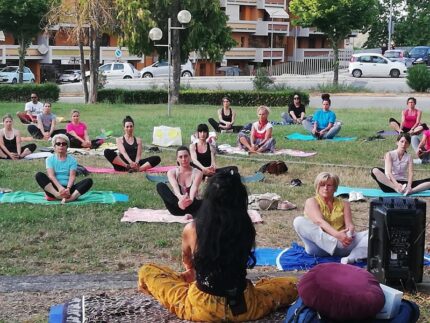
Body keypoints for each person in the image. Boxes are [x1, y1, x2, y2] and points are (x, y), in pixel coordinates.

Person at [139, 170, 298, 321]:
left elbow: (188, 263)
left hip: (202, 308)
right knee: (292, 285)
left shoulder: (192, 229)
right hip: (246, 306)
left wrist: (191, 273)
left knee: (147, 271)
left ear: (208, 199)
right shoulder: (245, 228)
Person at [293, 172, 368, 265]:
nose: (325, 188)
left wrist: (349, 234)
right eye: (322, 185)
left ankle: (351, 258)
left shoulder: (344, 203)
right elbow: (319, 221)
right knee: (298, 221)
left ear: (335, 187)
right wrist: (337, 235)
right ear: (317, 186)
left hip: (342, 244)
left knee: (372, 233)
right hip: (318, 246)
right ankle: (337, 245)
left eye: (329, 185)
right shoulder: (311, 201)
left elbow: (349, 225)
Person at [35, 134, 93, 203]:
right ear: (54, 146)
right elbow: (51, 176)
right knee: (39, 175)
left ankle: (71, 198)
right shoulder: (49, 159)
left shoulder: (72, 160)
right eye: (58, 144)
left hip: (68, 189)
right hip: (55, 189)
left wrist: (68, 188)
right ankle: (57, 196)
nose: (61, 146)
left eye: (64, 144)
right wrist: (60, 188)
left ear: (67, 146)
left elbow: (72, 176)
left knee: (89, 181)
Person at [156, 146, 203, 216]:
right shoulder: (172, 172)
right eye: (180, 157)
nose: (183, 159)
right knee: (160, 185)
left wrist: (190, 200)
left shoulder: (198, 173)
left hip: (192, 206)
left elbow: (194, 187)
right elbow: (175, 187)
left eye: (186, 156)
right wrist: (180, 199)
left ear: (190, 157)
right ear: (177, 159)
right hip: (176, 207)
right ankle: (192, 213)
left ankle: (191, 215)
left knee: (211, 199)